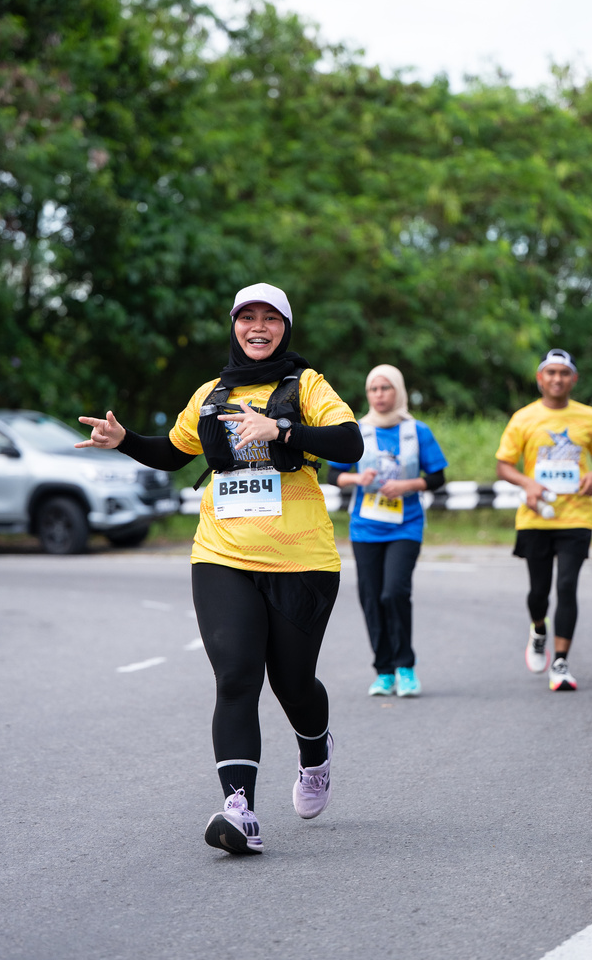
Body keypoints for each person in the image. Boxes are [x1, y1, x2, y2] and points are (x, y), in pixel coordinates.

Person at [75, 282, 363, 855]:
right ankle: (240, 810)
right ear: (233, 326)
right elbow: (174, 450)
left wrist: (281, 428)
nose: (258, 328)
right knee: (235, 677)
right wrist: (126, 439)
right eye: (246, 317)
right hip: (221, 553)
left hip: (301, 560)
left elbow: (349, 443)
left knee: (292, 683)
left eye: (270, 318)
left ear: (285, 327)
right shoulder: (212, 393)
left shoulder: (306, 385)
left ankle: (315, 751)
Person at [328, 365, 447, 698]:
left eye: (386, 388)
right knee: (371, 598)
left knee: (393, 592)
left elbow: (437, 477)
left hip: (406, 525)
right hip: (365, 527)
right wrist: (357, 478)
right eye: (373, 389)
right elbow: (333, 475)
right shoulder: (356, 431)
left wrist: (407, 485)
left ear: (399, 391)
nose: (379, 395)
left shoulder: (417, 431)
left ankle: (405, 667)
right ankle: (384, 671)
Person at [495, 348, 592, 692]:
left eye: (564, 373)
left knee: (566, 586)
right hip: (536, 518)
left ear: (574, 379)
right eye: (550, 372)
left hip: (576, 517)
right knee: (539, 592)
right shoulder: (523, 418)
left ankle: (561, 662)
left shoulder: (588, 417)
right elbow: (504, 466)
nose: (557, 379)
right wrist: (528, 484)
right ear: (540, 378)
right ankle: (539, 630)